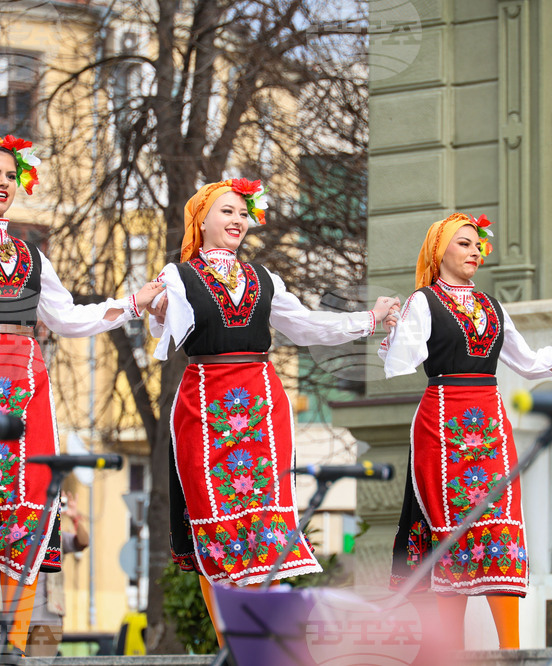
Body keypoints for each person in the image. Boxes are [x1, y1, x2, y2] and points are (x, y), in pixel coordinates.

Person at [0, 134, 163, 657]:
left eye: (9, 175)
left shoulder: (31, 256)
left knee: (28, 509)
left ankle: (15, 652)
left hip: (27, 384)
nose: (3, 183)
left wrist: (132, 304)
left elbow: (66, 318)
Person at [147, 178, 399, 644]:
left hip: (262, 404)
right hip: (205, 405)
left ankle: (273, 643)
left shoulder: (264, 279)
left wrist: (367, 318)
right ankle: (235, 647)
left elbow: (306, 325)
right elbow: (163, 332)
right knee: (216, 523)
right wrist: (157, 308)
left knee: (264, 522)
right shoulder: (178, 275)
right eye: (227, 211)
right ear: (201, 219)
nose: (237, 220)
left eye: (243, 213)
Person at [377, 213, 552, 650]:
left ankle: (513, 652)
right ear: (438, 250)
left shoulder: (492, 306)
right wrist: (396, 327)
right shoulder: (425, 302)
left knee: (501, 528)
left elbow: (531, 363)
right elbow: (398, 364)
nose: (474, 251)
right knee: (453, 535)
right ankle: (450, 654)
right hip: (443, 422)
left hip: (489, 420)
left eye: (477, 244)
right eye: (464, 243)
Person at [26, 492, 89, 657]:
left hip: (49, 617)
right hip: (18, 614)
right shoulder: (18, 533)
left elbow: (83, 542)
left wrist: (74, 518)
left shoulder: (56, 536)